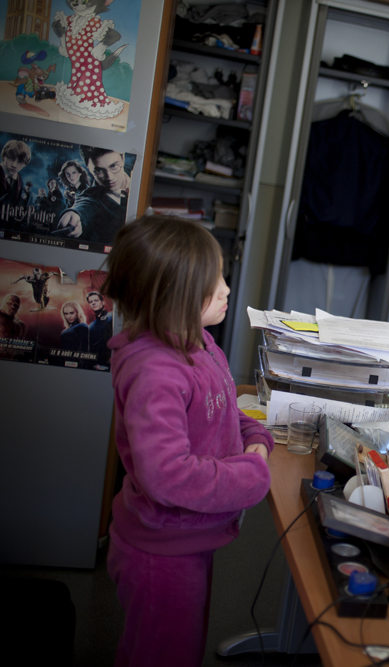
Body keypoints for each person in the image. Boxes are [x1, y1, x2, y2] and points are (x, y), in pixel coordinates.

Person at [101, 215, 273, 667]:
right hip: (161, 551)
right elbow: (167, 473)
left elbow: (220, 408)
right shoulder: (154, 371)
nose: (227, 289)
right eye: (214, 282)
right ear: (174, 299)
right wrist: (250, 474)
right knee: (161, 654)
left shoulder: (197, 342)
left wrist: (252, 432)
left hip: (189, 535)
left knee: (175, 648)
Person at [55, 146, 129, 243]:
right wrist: (76, 216)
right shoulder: (90, 196)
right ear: (89, 169)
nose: (109, 177)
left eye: (113, 166)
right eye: (99, 171)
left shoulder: (135, 166)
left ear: (123, 158)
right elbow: (85, 206)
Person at [0, 139, 30, 209]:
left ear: (24, 164)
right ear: (4, 157)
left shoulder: (19, 180)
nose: (14, 165)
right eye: (11, 158)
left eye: (19, 162)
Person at [86, 290, 113, 367]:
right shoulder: (90, 327)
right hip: (96, 364)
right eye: (90, 302)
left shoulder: (112, 317)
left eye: (96, 300)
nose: (93, 303)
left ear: (103, 302)